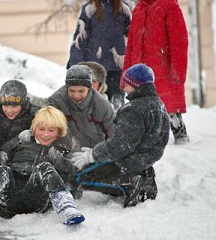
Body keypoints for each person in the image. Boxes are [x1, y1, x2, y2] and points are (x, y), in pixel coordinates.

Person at [71, 64, 170, 207]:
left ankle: (128, 183)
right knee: (96, 170)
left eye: (127, 84)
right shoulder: (158, 105)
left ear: (136, 85)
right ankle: (144, 176)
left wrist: (93, 155)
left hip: (127, 161)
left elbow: (120, 145)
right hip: (145, 160)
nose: (123, 88)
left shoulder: (133, 110)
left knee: (81, 177)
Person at [0, 106, 84, 226]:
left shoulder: (60, 154)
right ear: (33, 129)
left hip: (35, 200)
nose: (45, 134)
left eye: (51, 131)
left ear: (59, 132)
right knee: (3, 170)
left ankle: (66, 207)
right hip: (6, 202)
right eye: (41, 129)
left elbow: (75, 182)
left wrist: (60, 163)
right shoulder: (18, 144)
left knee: (44, 168)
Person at [122, 0, 190, 145]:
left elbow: (179, 40)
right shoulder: (138, 8)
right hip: (140, 69)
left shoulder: (168, 4)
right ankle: (149, 141)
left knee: (169, 105)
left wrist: (178, 72)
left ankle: (181, 139)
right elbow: (131, 46)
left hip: (163, 67)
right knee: (142, 107)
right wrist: (126, 75)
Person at [67, 0, 131, 110]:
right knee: (95, 104)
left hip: (117, 65)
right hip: (94, 66)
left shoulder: (124, 9)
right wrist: (74, 64)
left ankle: (117, 130)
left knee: (117, 104)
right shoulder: (89, 9)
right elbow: (80, 38)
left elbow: (132, 36)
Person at [48, 65, 116, 152]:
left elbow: (114, 136)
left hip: (94, 153)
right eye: (72, 91)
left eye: (81, 91)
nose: (76, 95)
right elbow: (49, 128)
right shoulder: (56, 102)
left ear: (89, 88)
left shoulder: (102, 106)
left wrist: (95, 154)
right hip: (64, 150)